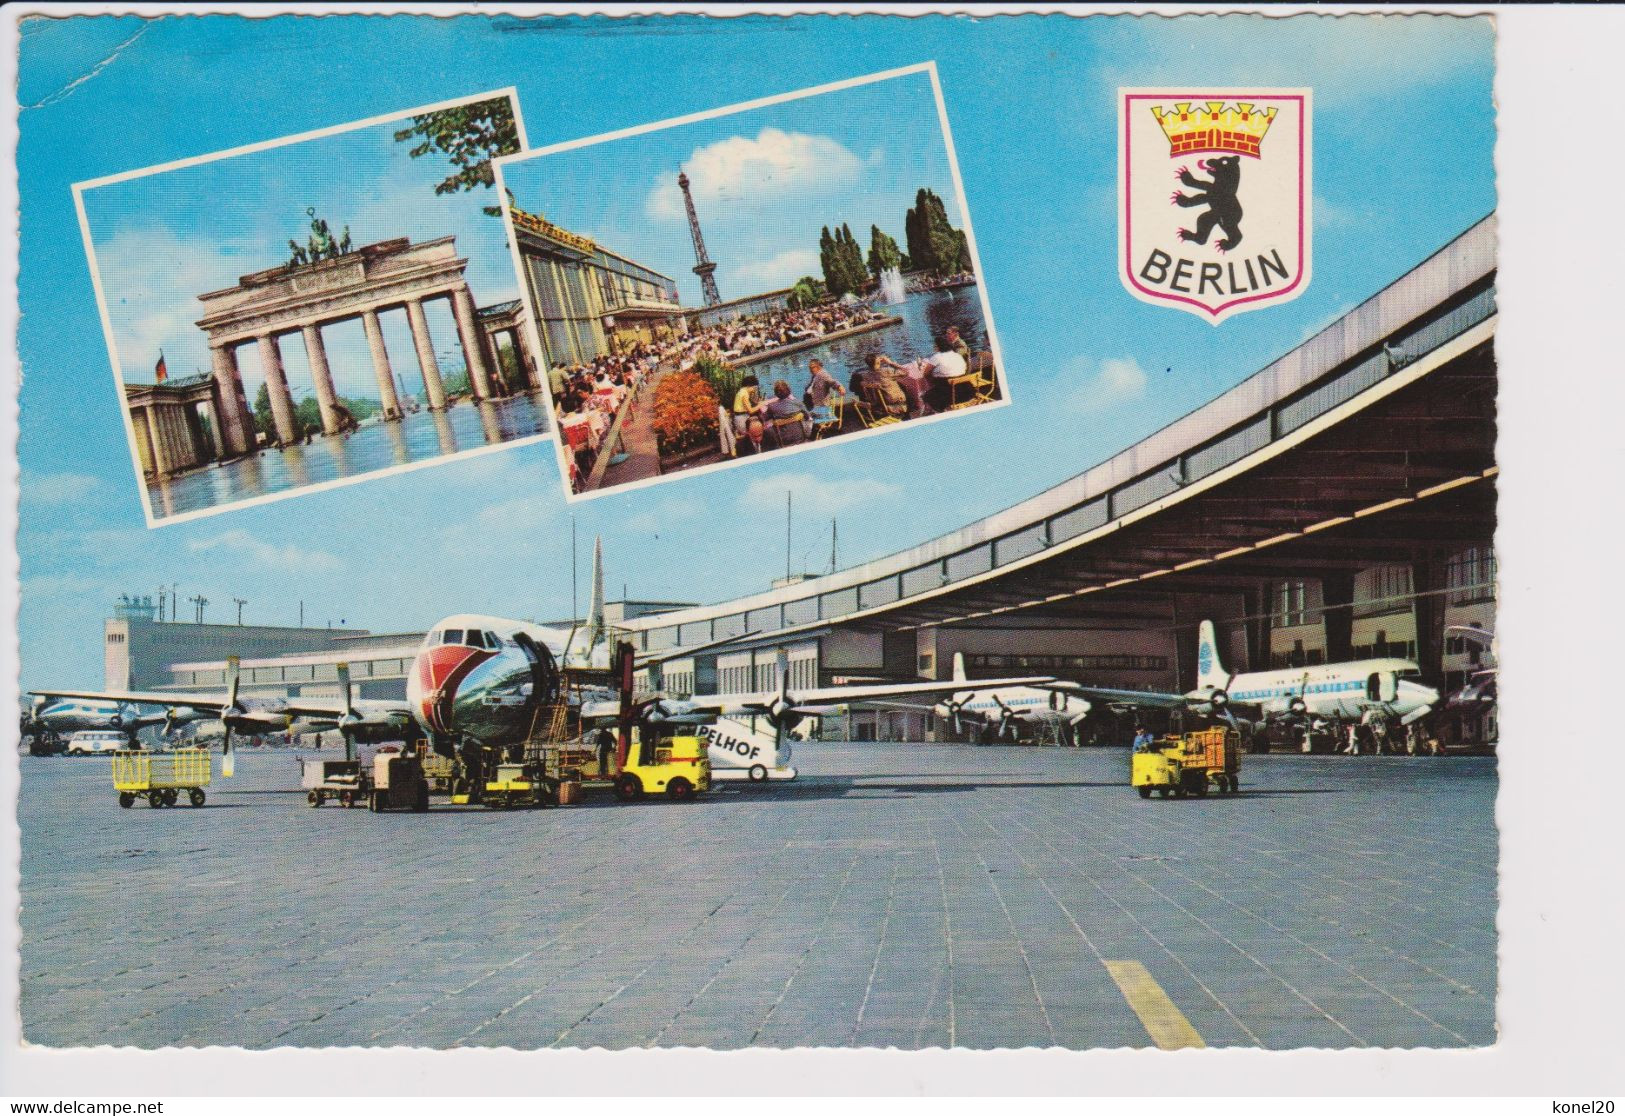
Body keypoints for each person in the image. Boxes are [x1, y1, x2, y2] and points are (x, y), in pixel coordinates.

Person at [921, 332, 969, 413]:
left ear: (937, 347)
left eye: (935, 346)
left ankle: (937, 411)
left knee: (926, 395)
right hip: (965, 390)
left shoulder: (936, 357)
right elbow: (964, 369)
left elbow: (925, 373)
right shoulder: (957, 355)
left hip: (948, 393)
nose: (934, 347)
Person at [762, 379, 808, 446]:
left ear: (775, 393)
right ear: (789, 390)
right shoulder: (797, 402)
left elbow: (764, 418)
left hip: (783, 440)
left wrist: (764, 405)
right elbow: (807, 416)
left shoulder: (772, 406)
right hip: (800, 437)